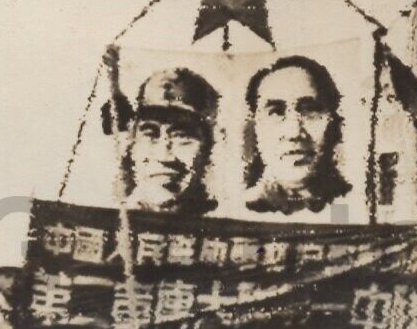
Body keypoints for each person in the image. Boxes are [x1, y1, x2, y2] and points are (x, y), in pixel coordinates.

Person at [243, 56, 350, 215]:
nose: (294, 132)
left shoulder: (348, 208)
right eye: (276, 112)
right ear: (256, 127)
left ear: (334, 123)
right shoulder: (238, 210)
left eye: (310, 110)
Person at [120, 67, 219, 216]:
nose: (164, 156)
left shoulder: (221, 233)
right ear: (131, 145)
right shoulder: (108, 227)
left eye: (182, 137)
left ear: (207, 148)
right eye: (150, 134)